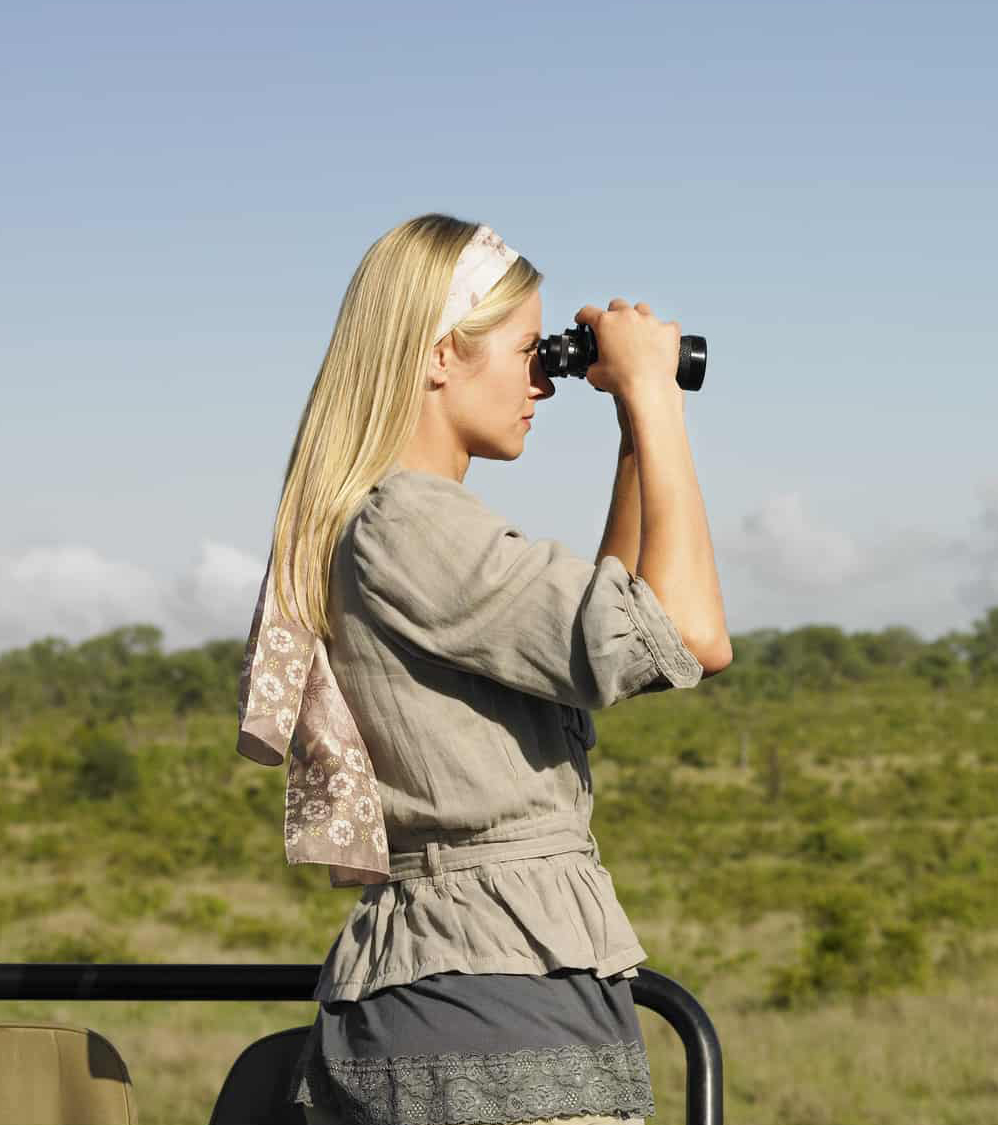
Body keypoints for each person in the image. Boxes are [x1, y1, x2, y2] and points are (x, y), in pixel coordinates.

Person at [263, 213, 731, 1125]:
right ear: (441, 354)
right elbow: (690, 633)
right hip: (493, 1001)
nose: (541, 382)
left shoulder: (385, 523)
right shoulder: (411, 524)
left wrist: (635, 433)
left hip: (462, 993)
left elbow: (611, 639)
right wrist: (657, 400)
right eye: (527, 351)